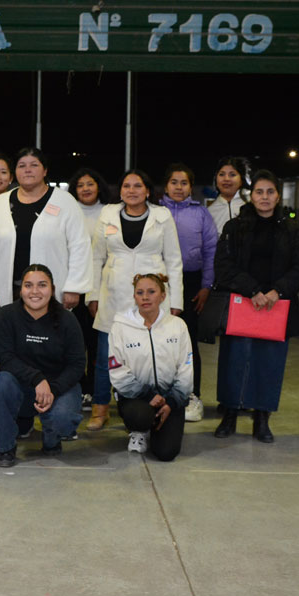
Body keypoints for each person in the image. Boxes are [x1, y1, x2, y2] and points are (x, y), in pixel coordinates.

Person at [212, 170, 299, 442]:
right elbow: (223, 266)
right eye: (259, 192)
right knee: (234, 362)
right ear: (250, 196)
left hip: (276, 306)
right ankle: (229, 414)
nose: (264, 197)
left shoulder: (291, 229)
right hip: (243, 302)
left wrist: (277, 291)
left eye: (270, 192)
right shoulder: (235, 227)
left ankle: (262, 418)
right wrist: (252, 290)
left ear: (278, 196)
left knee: (269, 364)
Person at [88, 169, 183, 431]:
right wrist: (92, 295)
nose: (132, 190)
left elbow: (174, 260)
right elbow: (96, 257)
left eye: (137, 186)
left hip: (151, 297)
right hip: (113, 294)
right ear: (120, 191)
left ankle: (145, 409)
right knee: (105, 355)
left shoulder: (162, 216)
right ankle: (100, 409)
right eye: (126, 186)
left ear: (148, 190)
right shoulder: (107, 214)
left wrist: (176, 300)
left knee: (149, 357)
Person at [0, 265, 85, 467]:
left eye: (42, 285)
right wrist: (37, 379)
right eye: (28, 285)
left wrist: (53, 389)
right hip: (21, 386)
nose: (35, 292)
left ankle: (52, 438)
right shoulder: (6, 315)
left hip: (58, 387)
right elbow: (5, 358)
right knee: (0, 383)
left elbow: (77, 364)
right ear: (20, 289)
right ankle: (5, 447)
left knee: (63, 420)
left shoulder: (68, 319)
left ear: (53, 288)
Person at [0, 148, 92, 314]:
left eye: (34, 165)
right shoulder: (0, 204)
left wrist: (74, 287)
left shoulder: (65, 202)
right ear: (15, 172)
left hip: (52, 294)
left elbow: (80, 246)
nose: (27, 170)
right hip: (8, 294)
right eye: (21, 165)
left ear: (45, 170)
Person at [108, 273, 194, 461]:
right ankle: (139, 429)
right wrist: (149, 395)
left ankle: (160, 426)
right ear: (134, 297)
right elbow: (117, 372)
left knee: (166, 453)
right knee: (140, 416)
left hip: (170, 398)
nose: (145, 297)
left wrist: (171, 402)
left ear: (163, 296)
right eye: (139, 292)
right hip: (137, 398)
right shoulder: (120, 327)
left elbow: (186, 371)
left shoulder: (178, 326)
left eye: (151, 292)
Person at [160, 163, 218, 422]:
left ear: (190, 187)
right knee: (160, 341)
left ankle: (192, 395)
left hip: (192, 282)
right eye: (174, 182)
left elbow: (210, 252)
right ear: (166, 186)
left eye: (184, 183)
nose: (179, 187)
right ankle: (160, 394)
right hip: (159, 282)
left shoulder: (201, 214)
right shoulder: (156, 212)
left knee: (187, 341)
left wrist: (206, 286)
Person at [67, 167, 113, 407]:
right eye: (80, 185)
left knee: (97, 343)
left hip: (101, 287)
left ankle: (96, 390)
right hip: (73, 284)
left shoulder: (110, 212)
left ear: (99, 186)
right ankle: (80, 387)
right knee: (75, 341)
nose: (85, 189)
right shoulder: (68, 211)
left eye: (90, 184)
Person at [208, 156, 251, 234]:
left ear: (242, 179)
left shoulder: (253, 202)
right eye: (221, 174)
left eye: (232, 175)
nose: (226, 179)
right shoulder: (209, 211)